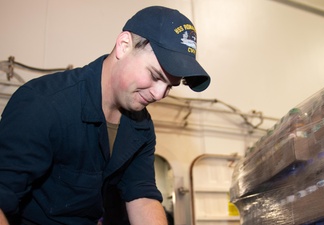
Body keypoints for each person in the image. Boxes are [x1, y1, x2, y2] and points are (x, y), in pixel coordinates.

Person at [0, 5, 210, 225]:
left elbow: (142, 197)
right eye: (155, 76)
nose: (159, 94)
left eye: (170, 86)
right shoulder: (43, 104)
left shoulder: (141, 126)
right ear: (124, 46)